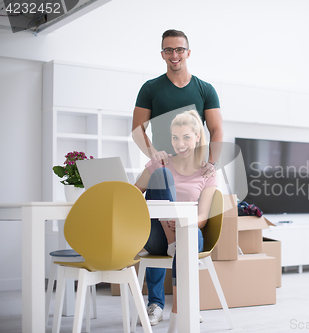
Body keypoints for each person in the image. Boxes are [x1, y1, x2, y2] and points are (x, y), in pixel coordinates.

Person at [135, 111, 217, 333]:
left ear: (198, 136)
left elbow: (202, 217)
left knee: (187, 238)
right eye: (175, 137)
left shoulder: (207, 172)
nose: (180, 144)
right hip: (159, 235)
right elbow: (132, 196)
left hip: (189, 231)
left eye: (186, 137)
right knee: (162, 176)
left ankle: (180, 311)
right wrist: (153, 164)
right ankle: (157, 303)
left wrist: (181, 223)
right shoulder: (161, 162)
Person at [132, 29, 223, 176]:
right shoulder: (149, 89)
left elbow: (216, 130)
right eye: (168, 50)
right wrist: (154, 155)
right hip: (163, 170)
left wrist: (212, 163)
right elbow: (137, 131)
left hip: (196, 172)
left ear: (188, 52)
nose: (174, 55)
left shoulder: (206, 90)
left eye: (179, 50)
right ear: (162, 54)